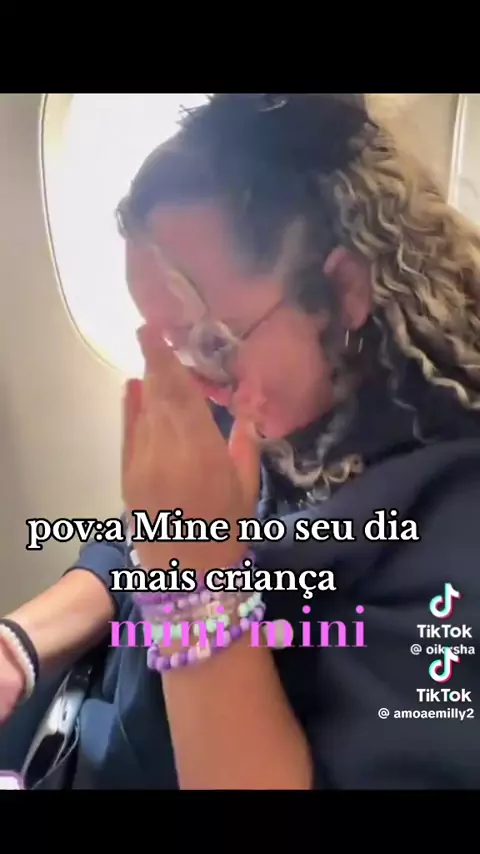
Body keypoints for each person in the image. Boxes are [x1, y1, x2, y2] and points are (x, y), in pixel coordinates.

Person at [1, 92, 480, 789]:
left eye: (214, 343)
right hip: (84, 728)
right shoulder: (262, 406)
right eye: (172, 345)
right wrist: (18, 649)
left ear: (344, 289)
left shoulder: (454, 539)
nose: (196, 383)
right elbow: (137, 546)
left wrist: (195, 584)